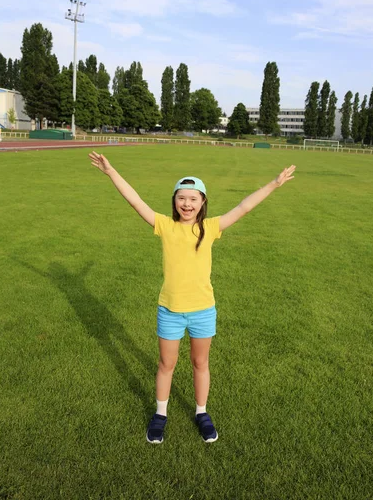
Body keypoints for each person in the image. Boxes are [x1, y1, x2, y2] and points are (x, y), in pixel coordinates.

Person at [88, 151, 296, 444]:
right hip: (170, 310)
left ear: (202, 203)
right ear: (174, 201)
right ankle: (160, 414)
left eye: (193, 199)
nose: (187, 204)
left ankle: (201, 412)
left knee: (200, 363)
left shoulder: (210, 228)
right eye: (181, 198)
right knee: (166, 364)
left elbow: (244, 207)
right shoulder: (164, 225)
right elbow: (135, 200)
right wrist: (111, 172)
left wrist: (274, 183)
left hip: (202, 311)